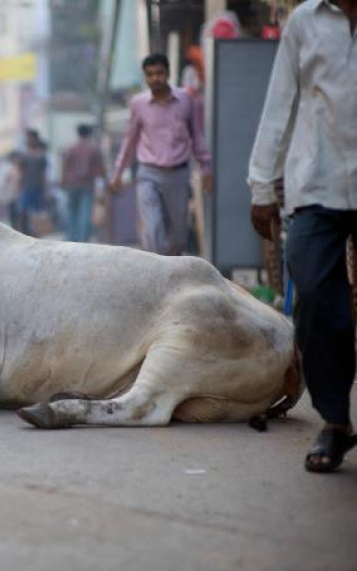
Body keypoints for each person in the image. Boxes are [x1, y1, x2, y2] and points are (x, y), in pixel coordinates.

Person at [248, 0, 357, 473]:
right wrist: (260, 183)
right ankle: (335, 421)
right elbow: (280, 101)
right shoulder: (305, 21)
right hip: (317, 183)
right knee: (313, 297)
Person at [110, 53, 213, 256]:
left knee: (178, 236)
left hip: (178, 174)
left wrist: (206, 168)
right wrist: (118, 173)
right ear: (145, 77)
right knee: (152, 228)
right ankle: (156, 274)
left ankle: (171, 268)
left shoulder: (186, 100)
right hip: (149, 174)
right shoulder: (138, 104)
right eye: (150, 75)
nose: (155, 79)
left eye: (159, 73)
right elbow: (129, 141)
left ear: (168, 73)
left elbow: (198, 136)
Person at [62, 124, 104, 242]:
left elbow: (64, 166)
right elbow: (100, 168)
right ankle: (82, 239)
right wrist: (104, 179)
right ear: (89, 133)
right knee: (85, 213)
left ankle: (71, 238)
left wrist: (63, 181)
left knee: (72, 212)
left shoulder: (70, 148)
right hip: (87, 184)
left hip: (72, 184)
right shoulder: (94, 148)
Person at [17, 129, 49, 236]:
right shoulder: (24, 155)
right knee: (23, 212)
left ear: (36, 139)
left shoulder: (41, 155)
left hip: (37, 188)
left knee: (37, 214)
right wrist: (19, 187)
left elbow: (43, 174)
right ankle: (23, 234)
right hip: (26, 187)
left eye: (30, 138)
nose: (28, 140)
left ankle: (36, 234)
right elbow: (20, 172)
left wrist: (45, 189)